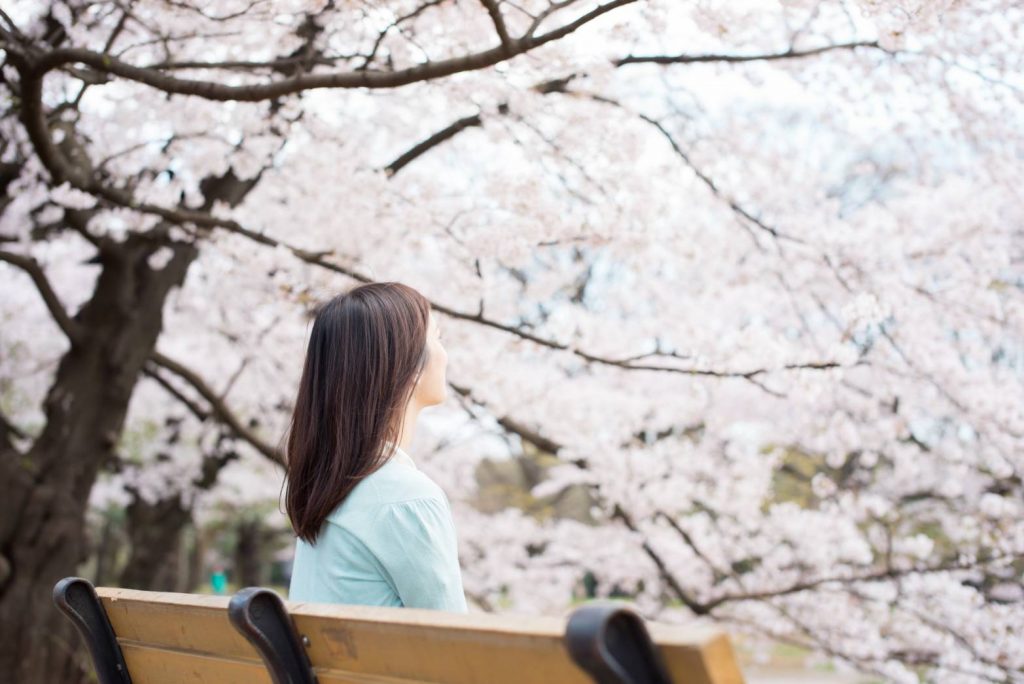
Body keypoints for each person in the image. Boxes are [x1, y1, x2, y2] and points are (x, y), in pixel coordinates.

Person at [284, 282, 468, 612]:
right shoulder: (407, 499)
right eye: (437, 338)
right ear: (409, 364)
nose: (445, 353)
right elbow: (456, 649)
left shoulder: (325, 495)